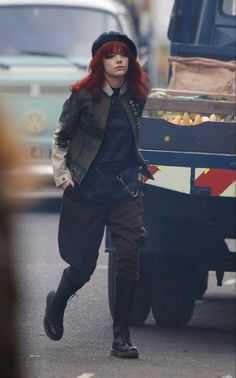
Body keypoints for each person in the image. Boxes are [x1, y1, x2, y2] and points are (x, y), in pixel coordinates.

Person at [43, 31, 153, 359]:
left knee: (129, 259)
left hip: (124, 190)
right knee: (82, 266)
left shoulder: (137, 95)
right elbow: (60, 138)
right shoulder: (82, 96)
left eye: (123, 54)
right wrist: (64, 178)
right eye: (110, 54)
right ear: (99, 61)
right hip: (87, 188)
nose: (118, 59)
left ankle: (121, 338)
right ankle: (57, 301)